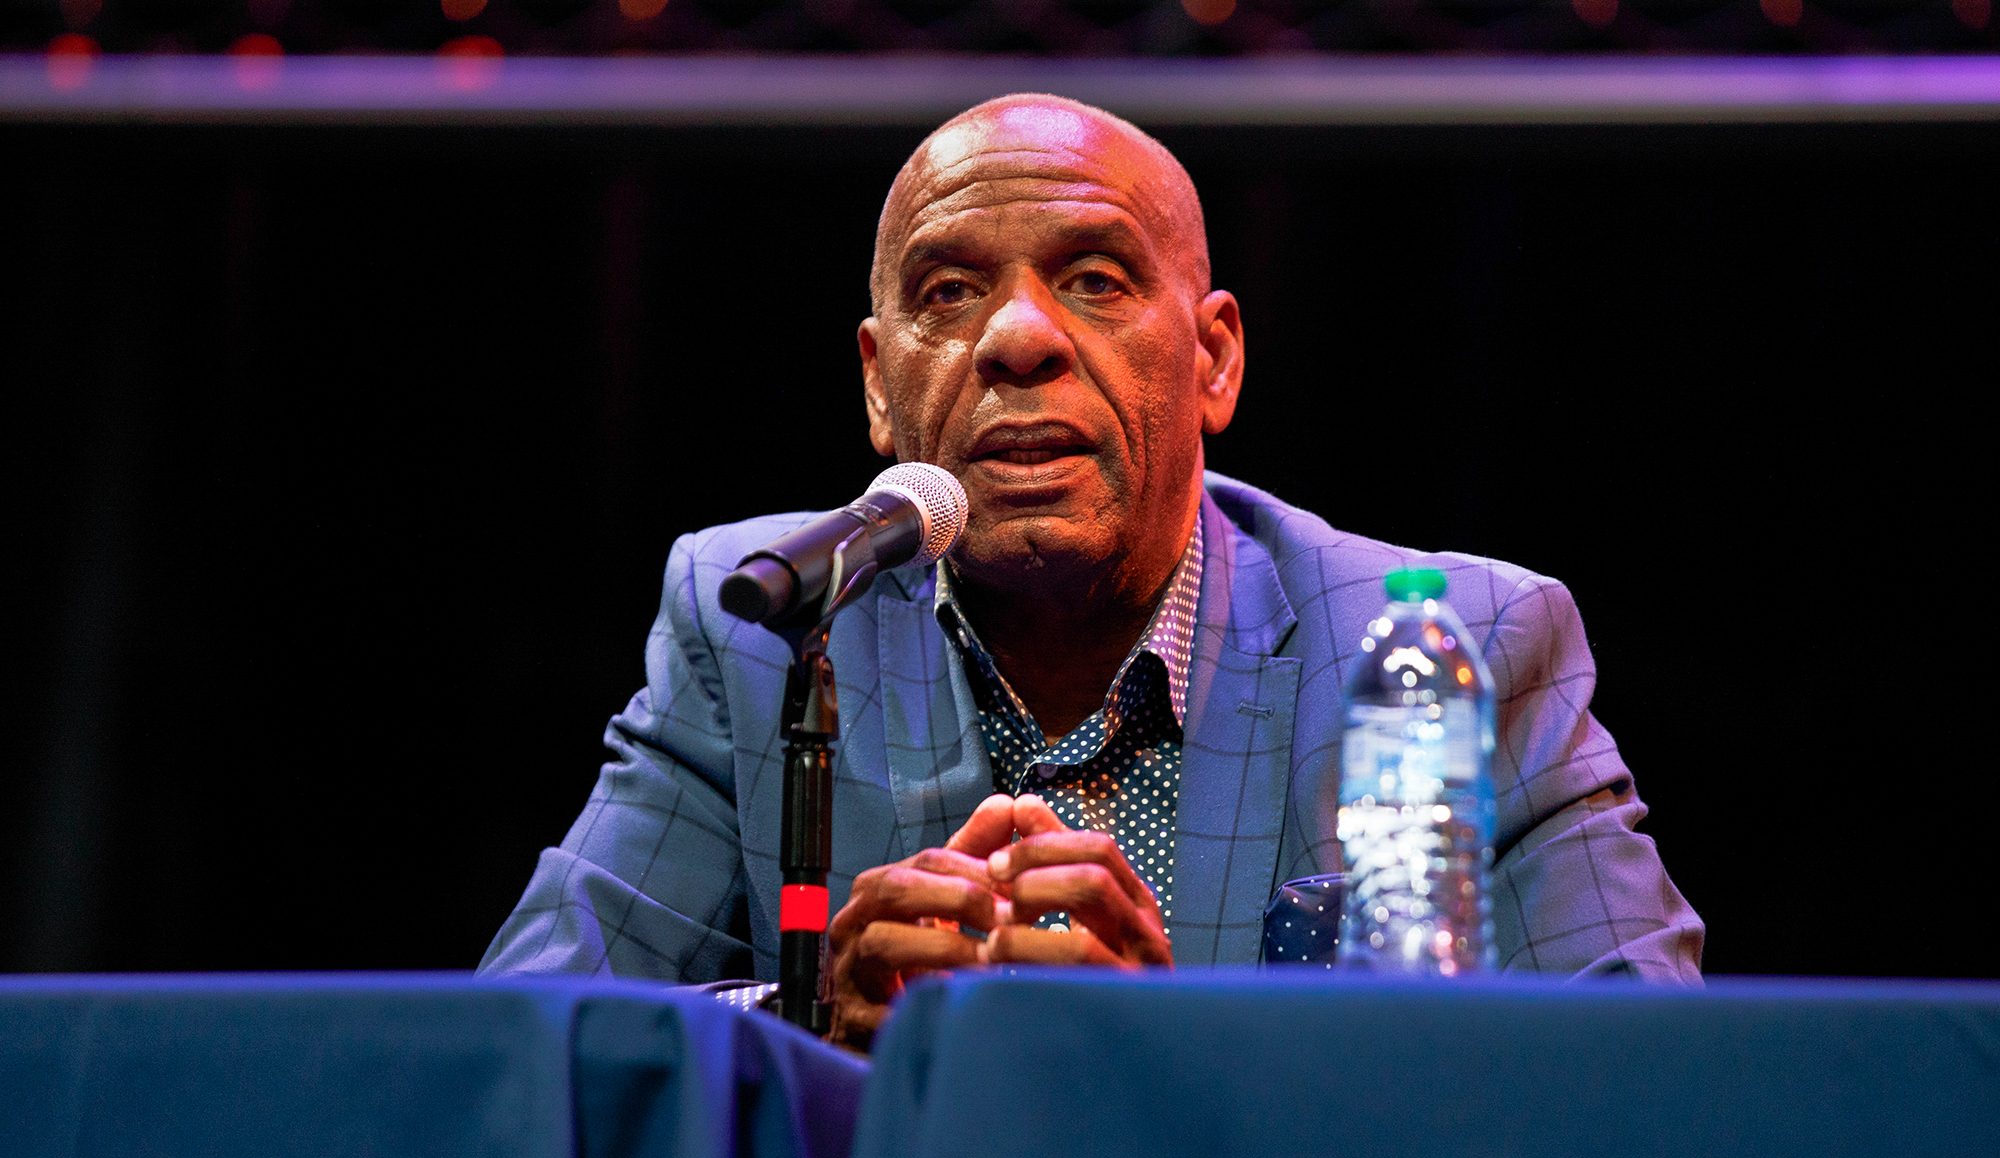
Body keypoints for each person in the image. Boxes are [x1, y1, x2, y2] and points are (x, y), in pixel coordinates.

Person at [479, 94, 1704, 1049]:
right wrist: (806, 1019)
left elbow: (1643, 1079)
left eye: (1094, 280)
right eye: (949, 292)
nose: (1018, 339)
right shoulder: (761, 621)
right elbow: (529, 1034)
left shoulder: (1462, 647)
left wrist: (1168, 1048)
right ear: (876, 381)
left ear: (1214, 359)